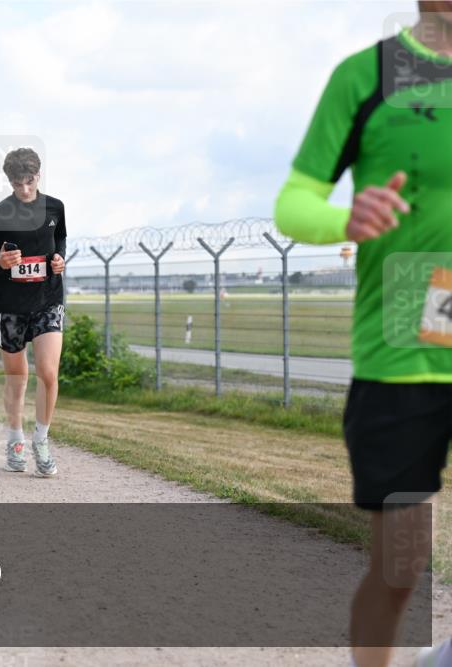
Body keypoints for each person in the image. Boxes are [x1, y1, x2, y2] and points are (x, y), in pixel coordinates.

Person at [274, 5, 451, 666]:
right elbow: (294, 202)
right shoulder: (368, 76)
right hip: (401, 357)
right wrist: (348, 216)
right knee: (402, 566)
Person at [0, 147, 66, 478]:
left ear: (38, 176)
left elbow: (60, 241)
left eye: (29, 181)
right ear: (9, 181)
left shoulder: (55, 207)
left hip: (48, 300)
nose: (24, 189)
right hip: (10, 307)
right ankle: (15, 439)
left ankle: (41, 440)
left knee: (48, 373)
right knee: (18, 378)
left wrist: (58, 261)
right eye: (17, 183)